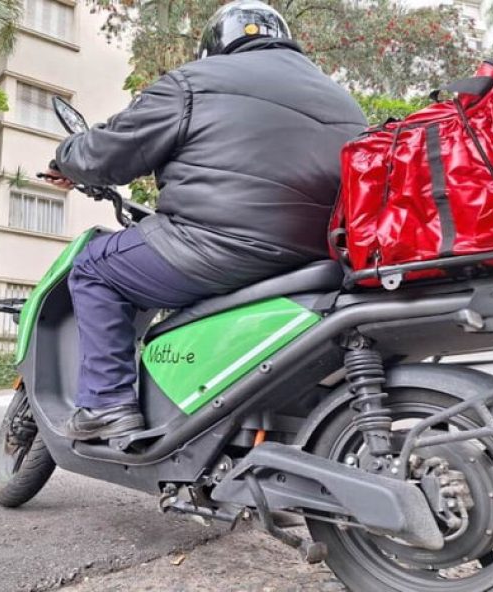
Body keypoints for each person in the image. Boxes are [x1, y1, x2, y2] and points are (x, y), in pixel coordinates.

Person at [45, 0, 367, 441]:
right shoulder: (343, 99)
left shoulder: (195, 81)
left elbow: (107, 154)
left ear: (215, 45)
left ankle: (105, 404)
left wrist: (67, 156)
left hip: (214, 247)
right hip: (317, 261)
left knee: (94, 268)